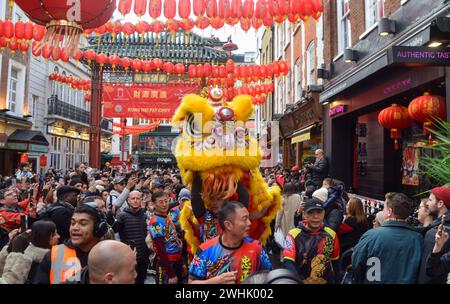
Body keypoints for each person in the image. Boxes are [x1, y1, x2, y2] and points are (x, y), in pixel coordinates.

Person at [189, 201, 272, 284]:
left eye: (249, 218)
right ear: (228, 225)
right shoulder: (205, 250)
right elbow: (191, 282)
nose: (249, 223)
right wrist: (214, 282)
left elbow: (270, 277)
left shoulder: (257, 248)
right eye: (244, 219)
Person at [352, 192, 423, 284]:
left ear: (389, 212)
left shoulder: (370, 236)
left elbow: (357, 265)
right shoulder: (418, 239)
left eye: (384, 208)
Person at [33, 204, 107, 284]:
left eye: (83, 224)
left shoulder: (110, 255)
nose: (75, 228)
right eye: (72, 223)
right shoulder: (55, 254)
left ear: (98, 228)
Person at [283, 198, 339, 284]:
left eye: (319, 212)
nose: (315, 216)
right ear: (304, 215)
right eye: (311, 212)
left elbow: (335, 261)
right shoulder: (293, 235)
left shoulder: (331, 234)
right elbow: (288, 261)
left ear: (324, 214)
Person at [149, 191, 184, 284]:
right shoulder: (155, 223)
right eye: (161, 202)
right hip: (167, 264)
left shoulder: (166, 217)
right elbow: (160, 250)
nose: (164, 204)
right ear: (154, 204)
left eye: (166, 201)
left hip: (176, 260)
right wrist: (171, 274)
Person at [115, 190, 150, 284]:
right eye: (133, 198)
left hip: (143, 257)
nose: (135, 200)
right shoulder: (122, 216)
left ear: (141, 200)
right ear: (128, 200)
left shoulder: (145, 215)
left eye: (138, 198)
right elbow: (115, 234)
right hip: (128, 257)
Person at [418, 186, 450, 284]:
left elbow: (429, 271)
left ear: (440, 203)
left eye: (430, 200)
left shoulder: (436, 233)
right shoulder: (435, 227)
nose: (427, 203)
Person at [275, 183, 301, 247]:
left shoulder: (283, 198)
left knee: (286, 239)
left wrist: (277, 223)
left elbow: (279, 212)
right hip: (296, 220)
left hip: (285, 221)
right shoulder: (298, 196)